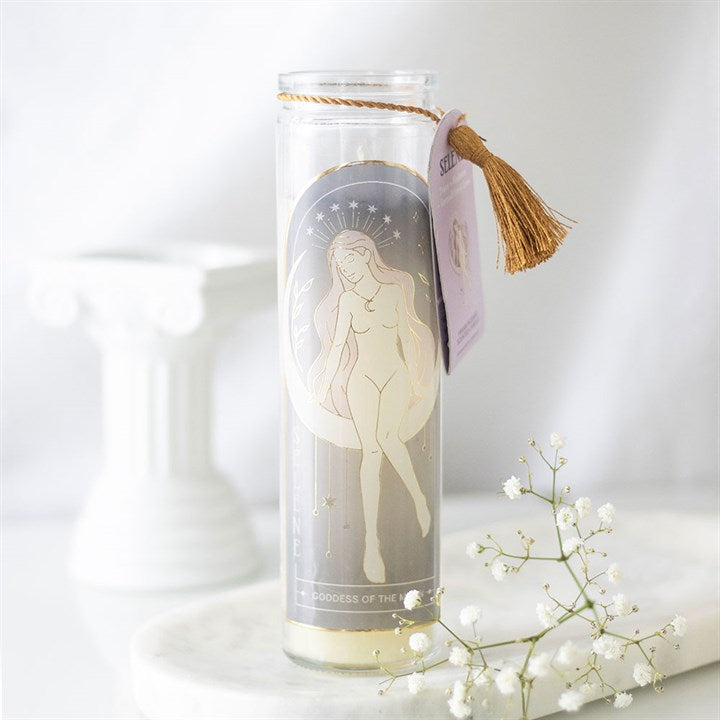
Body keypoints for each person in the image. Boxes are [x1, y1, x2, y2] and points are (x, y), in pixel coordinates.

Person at [310, 229, 435, 583]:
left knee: (390, 438)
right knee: (373, 451)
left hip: (394, 374)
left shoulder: (394, 291)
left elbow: (406, 337)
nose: (345, 269)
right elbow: (337, 347)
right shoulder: (348, 301)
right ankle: (371, 544)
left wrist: (417, 380)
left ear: (365, 255)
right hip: (361, 378)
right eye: (339, 265)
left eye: (349, 259)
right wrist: (324, 383)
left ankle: (419, 499)